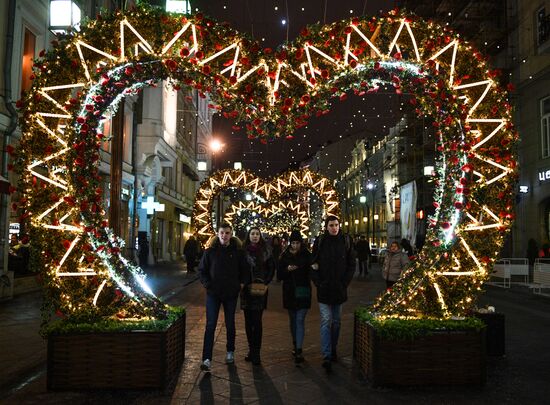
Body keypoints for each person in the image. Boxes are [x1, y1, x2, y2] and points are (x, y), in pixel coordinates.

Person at [198, 222, 249, 372]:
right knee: (210, 325)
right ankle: (206, 358)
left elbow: (245, 270)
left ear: (231, 234)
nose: (224, 236)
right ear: (218, 233)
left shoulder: (238, 252)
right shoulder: (210, 251)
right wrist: (207, 284)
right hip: (213, 293)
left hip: (230, 293)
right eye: (222, 233)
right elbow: (202, 270)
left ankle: (230, 351)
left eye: (227, 233)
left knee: (230, 323)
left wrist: (240, 284)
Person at [311, 215, 356, 372]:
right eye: (331, 225)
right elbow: (313, 263)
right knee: (326, 320)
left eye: (336, 225)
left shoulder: (346, 240)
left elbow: (352, 264)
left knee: (336, 322)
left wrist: (345, 283)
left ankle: (333, 348)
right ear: (326, 226)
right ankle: (327, 355)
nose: (334, 228)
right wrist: (318, 282)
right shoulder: (320, 242)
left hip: (339, 289)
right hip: (324, 289)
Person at [240, 227, 275, 365]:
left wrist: (266, 282)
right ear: (248, 236)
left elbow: (272, 269)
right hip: (246, 290)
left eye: (257, 234)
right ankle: (251, 349)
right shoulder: (243, 252)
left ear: (260, 236)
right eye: (252, 234)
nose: (255, 236)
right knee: (248, 322)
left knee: (257, 321)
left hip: (260, 289)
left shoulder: (266, 252)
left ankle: (257, 352)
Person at [277, 229, 312, 364]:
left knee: (299, 320)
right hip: (290, 292)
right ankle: (295, 342)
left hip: (303, 291)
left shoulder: (306, 255)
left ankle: (298, 349)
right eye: (293, 243)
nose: (295, 245)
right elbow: (279, 275)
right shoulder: (284, 256)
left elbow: (311, 272)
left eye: (297, 243)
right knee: (293, 320)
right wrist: (287, 270)